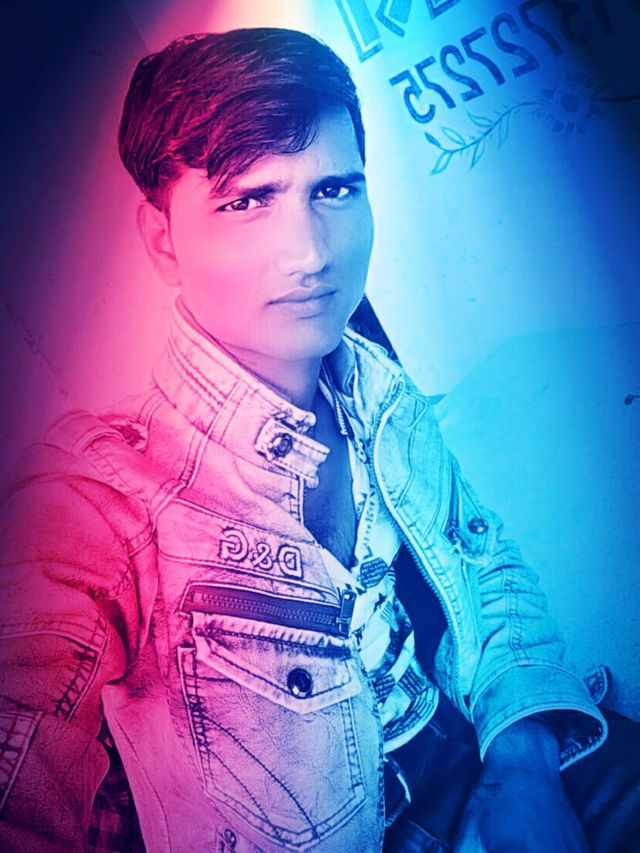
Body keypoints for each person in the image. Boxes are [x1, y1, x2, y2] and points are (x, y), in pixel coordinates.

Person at [0, 27, 638, 853]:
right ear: (163, 240)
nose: (309, 253)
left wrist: (524, 762)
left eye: (334, 189)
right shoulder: (99, 500)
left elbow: (485, 565)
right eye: (247, 200)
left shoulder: (378, 389)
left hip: (477, 748)